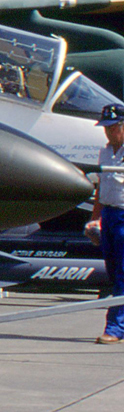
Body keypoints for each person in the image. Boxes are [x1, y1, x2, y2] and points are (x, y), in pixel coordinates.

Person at [86, 104, 124, 342]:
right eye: (106, 128)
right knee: (112, 270)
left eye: (114, 127)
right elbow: (102, 189)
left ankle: (115, 328)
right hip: (109, 214)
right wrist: (94, 220)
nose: (110, 133)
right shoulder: (105, 152)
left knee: (122, 272)